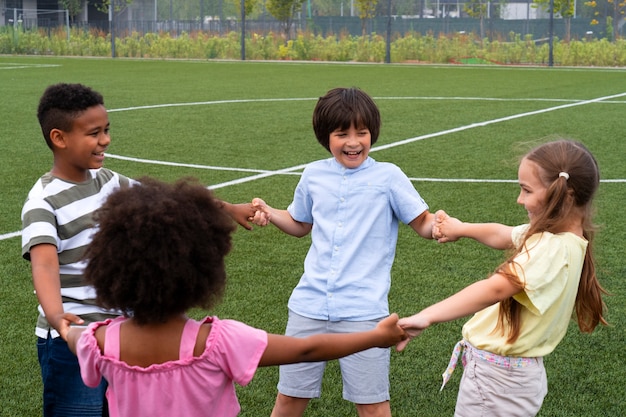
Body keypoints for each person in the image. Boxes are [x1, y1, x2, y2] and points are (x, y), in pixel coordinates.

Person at [59, 176, 408, 417]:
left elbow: (74, 338)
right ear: (201, 270)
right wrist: (376, 336)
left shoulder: (100, 341)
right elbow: (306, 349)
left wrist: (62, 325)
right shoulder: (217, 341)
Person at [21, 83, 256, 416]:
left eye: (106, 130)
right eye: (94, 133)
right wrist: (58, 317)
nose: (106, 140)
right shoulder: (43, 202)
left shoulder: (108, 181)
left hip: (118, 337)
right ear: (59, 138)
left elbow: (168, 204)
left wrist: (227, 208)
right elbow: (44, 267)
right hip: (69, 340)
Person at [250, 87, 436, 417]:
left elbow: (422, 223)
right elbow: (298, 222)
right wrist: (270, 210)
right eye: (342, 134)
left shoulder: (388, 176)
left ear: (372, 134)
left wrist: (441, 226)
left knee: (373, 405)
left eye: (361, 133)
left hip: (364, 311)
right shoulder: (314, 174)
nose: (353, 142)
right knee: (289, 398)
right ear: (326, 137)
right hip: (309, 305)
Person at [396, 139, 608, 416]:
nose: (519, 199)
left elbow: (496, 288)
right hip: (506, 378)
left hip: (498, 381)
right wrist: (461, 228)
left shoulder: (552, 247)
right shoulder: (557, 238)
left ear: (564, 195)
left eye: (526, 190)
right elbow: (504, 234)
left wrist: (428, 315)